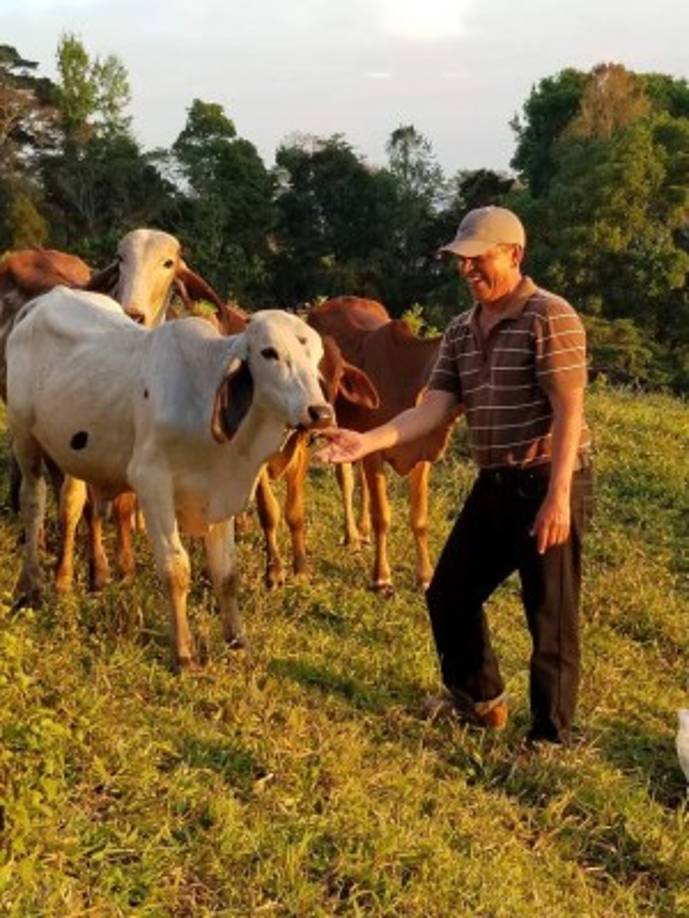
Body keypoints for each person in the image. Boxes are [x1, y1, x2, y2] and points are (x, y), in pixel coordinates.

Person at [316, 206, 593, 745]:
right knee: (449, 593)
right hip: (496, 483)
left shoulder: (549, 316)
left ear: (514, 255)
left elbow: (569, 410)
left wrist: (558, 498)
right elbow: (433, 408)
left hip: (549, 478)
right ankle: (477, 698)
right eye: (460, 261)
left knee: (550, 614)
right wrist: (365, 440)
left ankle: (552, 737)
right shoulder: (463, 330)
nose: (467, 270)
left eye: (478, 259)